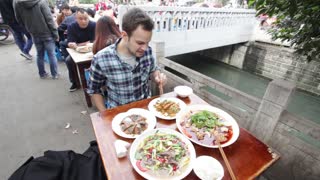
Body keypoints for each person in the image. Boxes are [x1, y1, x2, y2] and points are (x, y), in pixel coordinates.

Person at [87, 8, 167, 112]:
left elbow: (153, 70)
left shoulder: (147, 52)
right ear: (124, 35)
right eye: (140, 43)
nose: (145, 48)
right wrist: (105, 115)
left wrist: (157, 77)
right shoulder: (101, 59)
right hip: (119, 113)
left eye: (148, 42)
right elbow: (94, 90)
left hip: (146, 110)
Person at [13, 0, 59, 79]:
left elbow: (19, 19)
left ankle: (42, 74)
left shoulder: (18, 3)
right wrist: (55, 34)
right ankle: (54, 74)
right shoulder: (41, 2)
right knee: (51, 54)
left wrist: (28, 28)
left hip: (33, 32)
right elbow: (49, 19)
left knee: (39, 54)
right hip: (46, 32)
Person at [66, 8, 96, 92]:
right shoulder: (71, 26)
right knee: (68, 60)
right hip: (77, 51)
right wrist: (72, 44)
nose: (83, 21)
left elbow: (96, 40)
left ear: (88, 17)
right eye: (80, 19)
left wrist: (80, 44)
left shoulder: (94, 25)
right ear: (76, 18)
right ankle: (75, 82)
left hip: (92, 50)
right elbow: (70, 42)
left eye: (85, 18)